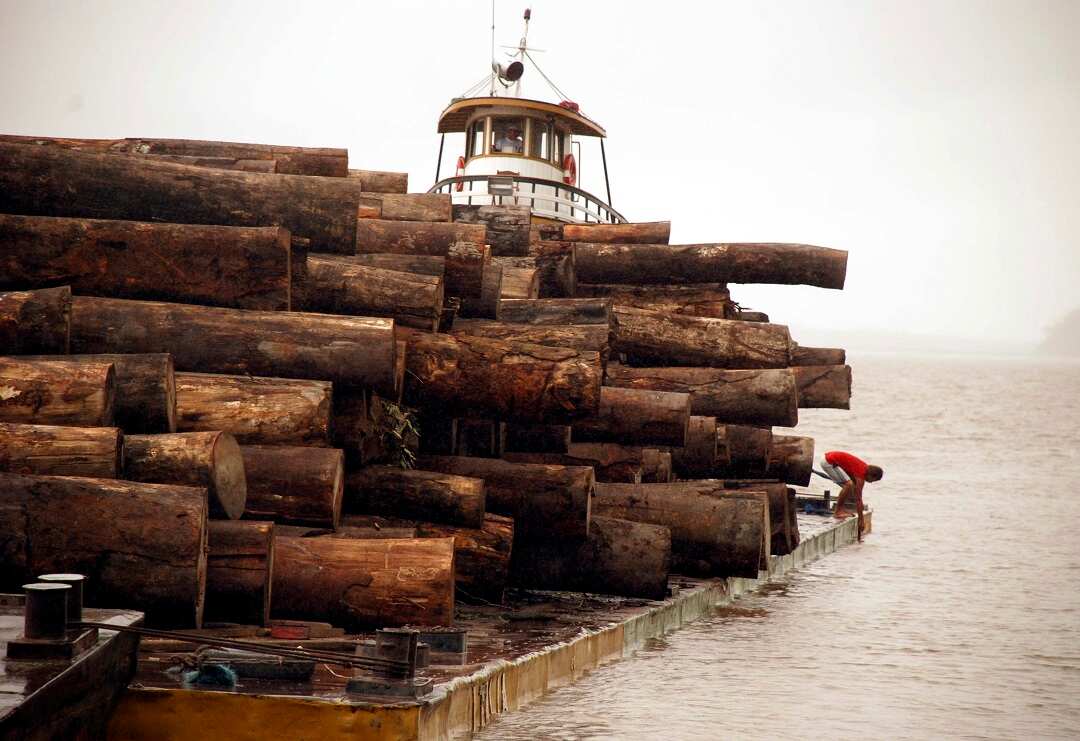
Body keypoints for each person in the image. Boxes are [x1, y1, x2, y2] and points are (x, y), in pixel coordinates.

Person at [814, 450, 883, 540]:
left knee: (850, 486)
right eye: (873, 480)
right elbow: (859, 498)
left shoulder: (863, 468)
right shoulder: (861, 473)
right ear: (871, 475)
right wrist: (861, 520)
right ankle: (838, 511)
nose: (871, 482)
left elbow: (857, 493)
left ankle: (842, 509)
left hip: (830, 461)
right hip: (828, 462)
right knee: (849, 484)